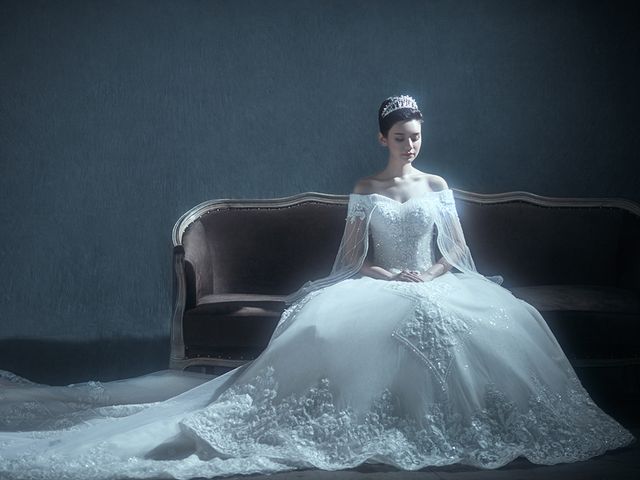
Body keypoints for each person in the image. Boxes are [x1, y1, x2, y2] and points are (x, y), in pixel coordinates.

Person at [0, 95, 634, 479]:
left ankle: (449, 425)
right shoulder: (366, 190)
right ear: (382, 139)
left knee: (482, 322)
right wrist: (385, 275)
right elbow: (353, 259)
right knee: (347, 326)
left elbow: (456, 255)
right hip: (381, 282)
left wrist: (428, 274)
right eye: (401, 138)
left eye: (417, 138)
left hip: (432, 281)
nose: (411, 147)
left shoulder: (438, 188)